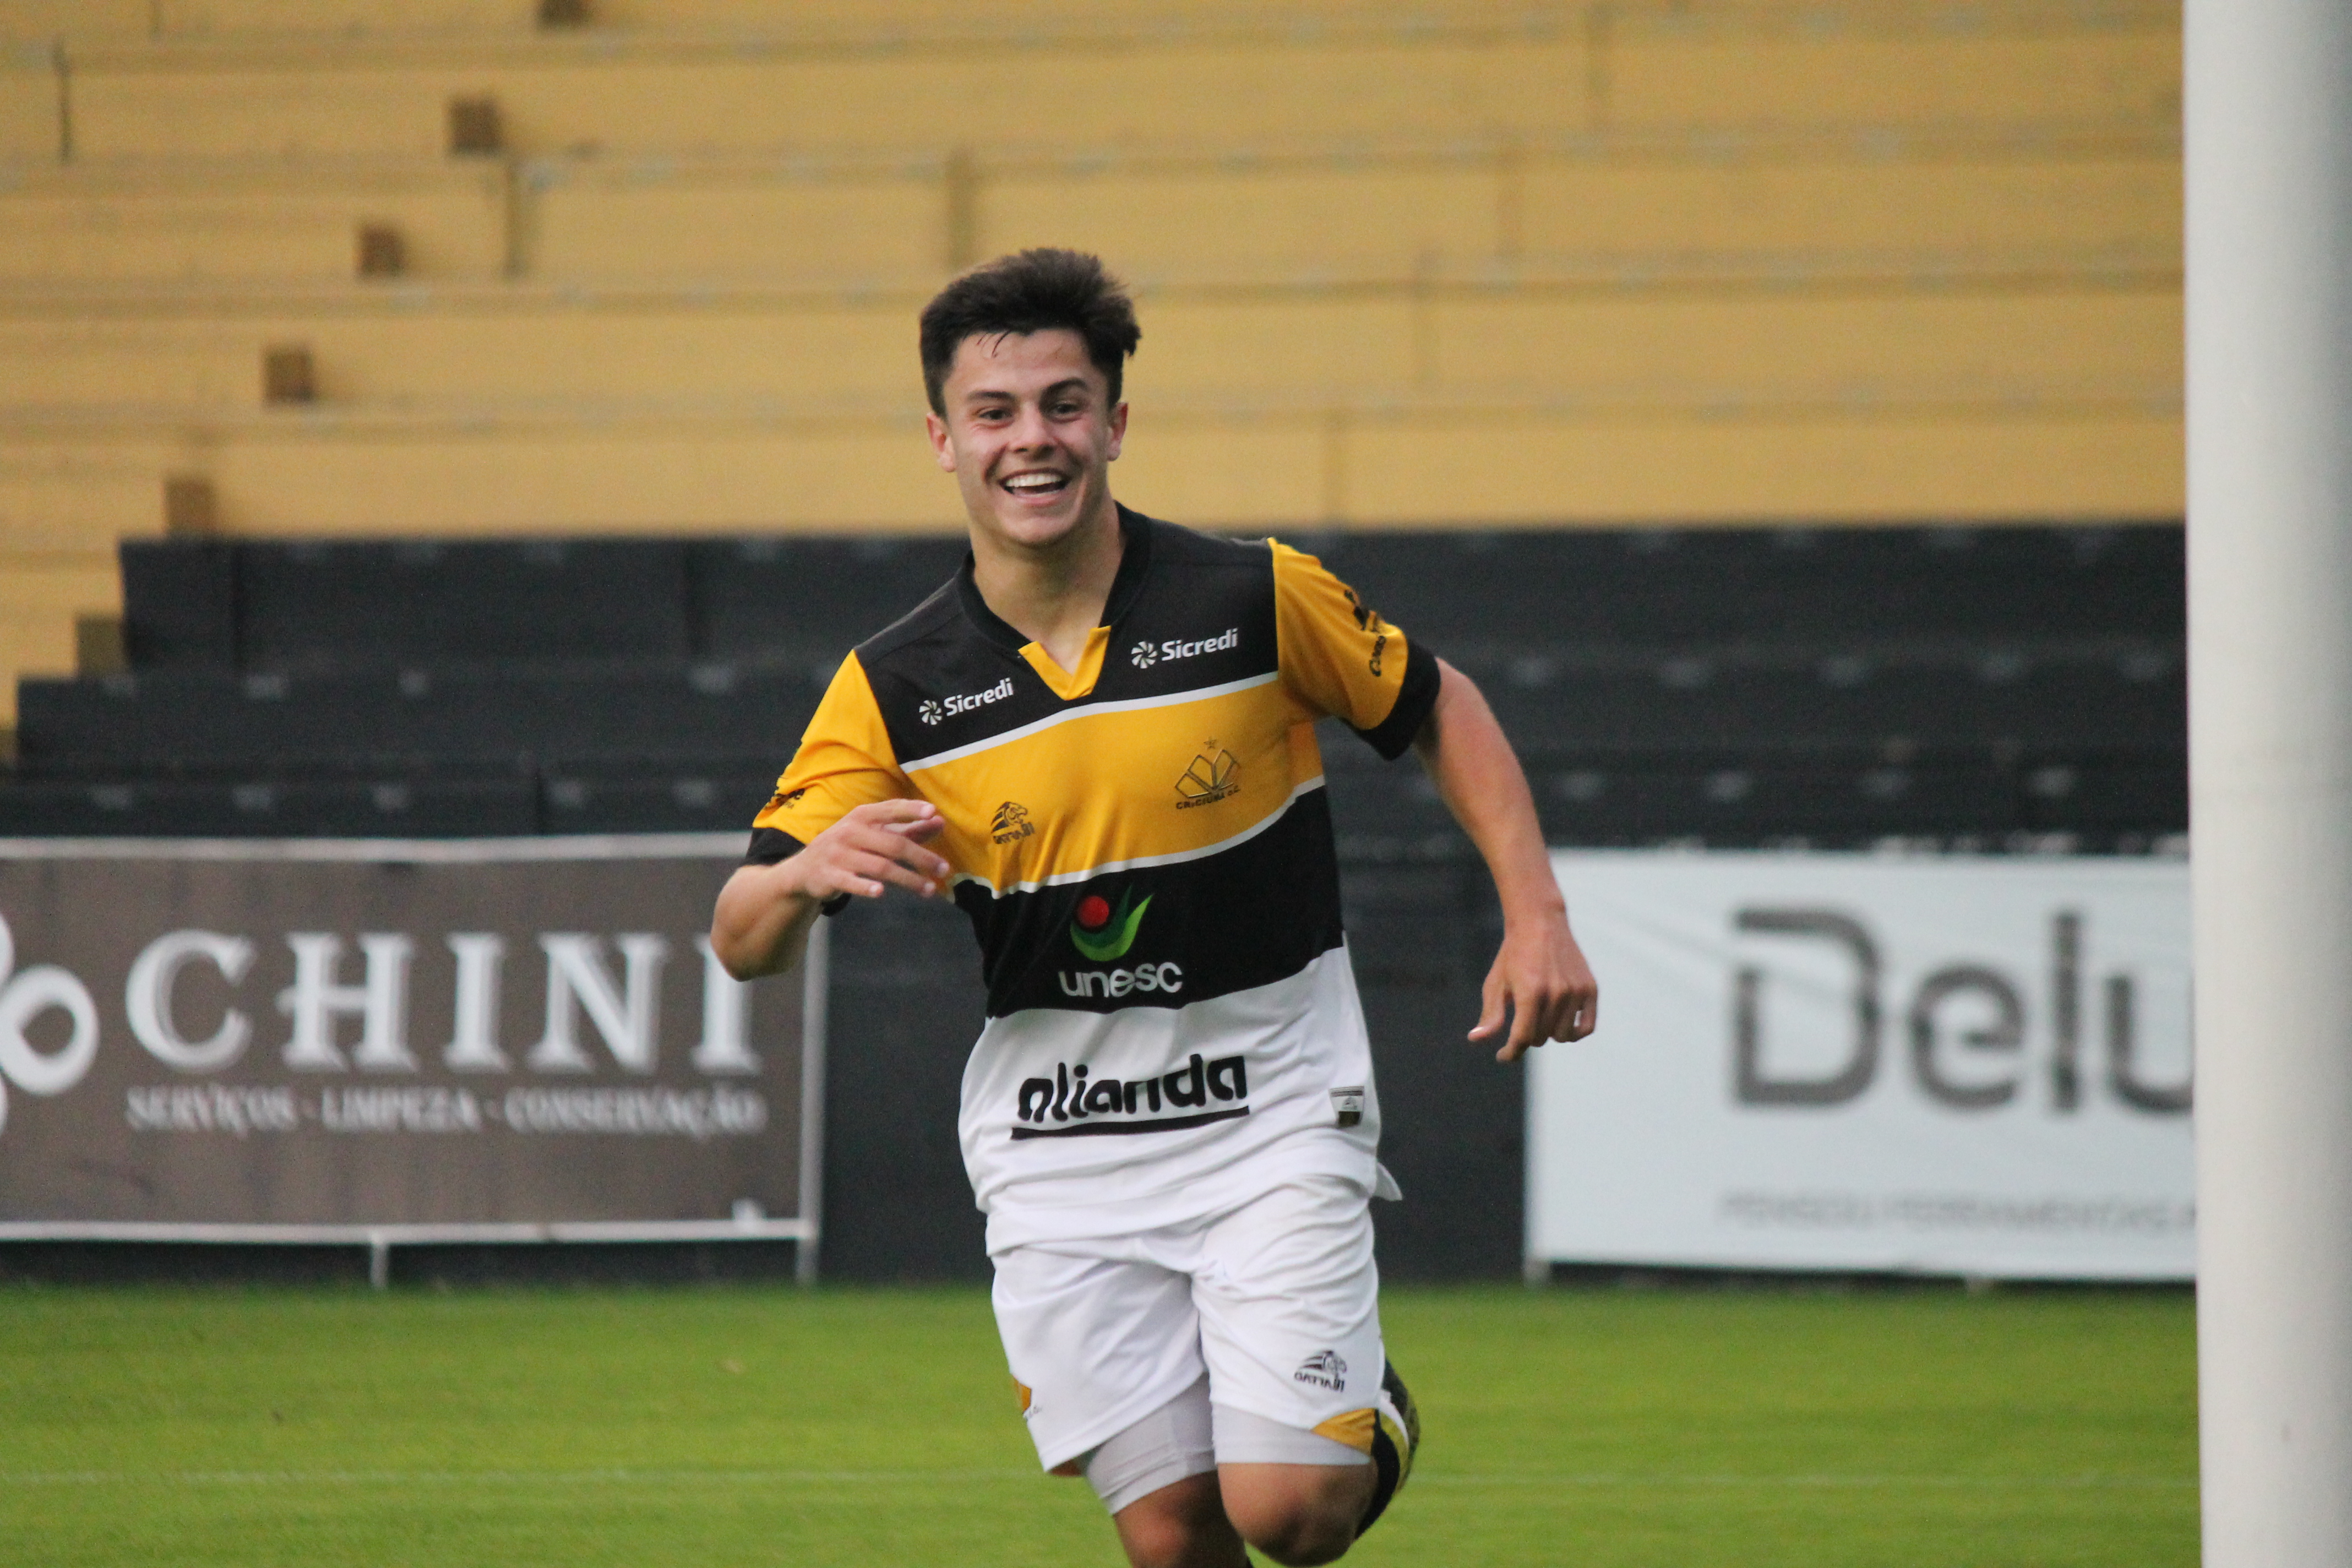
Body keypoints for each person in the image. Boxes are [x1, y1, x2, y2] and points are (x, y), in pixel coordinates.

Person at [710, 248, 1597, 1568]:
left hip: (1272, 1110)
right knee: (1174, 1540)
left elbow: (1436, 702)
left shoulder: (1252, 598)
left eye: (1063, 404)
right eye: (996, 412)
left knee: (1287, 1510)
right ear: (944, 440)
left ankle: (1365, 1417)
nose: (1033, 438)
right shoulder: (893, 685)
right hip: (1058, 1143)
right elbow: (740, 937)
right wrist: (795, 874)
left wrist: (1536, 913)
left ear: (1115, 423)